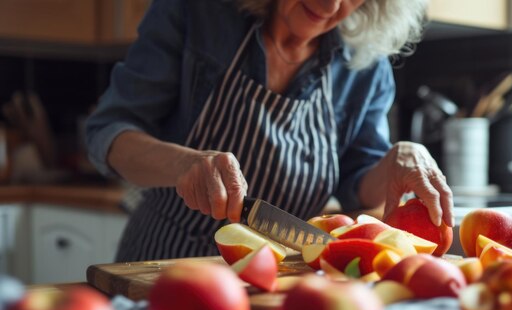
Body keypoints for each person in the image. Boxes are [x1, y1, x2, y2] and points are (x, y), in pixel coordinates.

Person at [86, 0, 454, 262]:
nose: (330, 7)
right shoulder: (196, 13)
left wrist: (396, 159)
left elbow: (358, 184)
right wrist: (183, 163)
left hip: (278, 281)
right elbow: (108, 132)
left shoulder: (365, 70)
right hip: (163, 266)